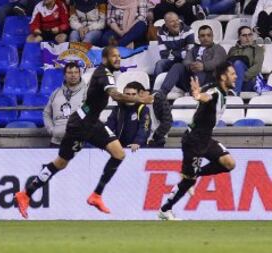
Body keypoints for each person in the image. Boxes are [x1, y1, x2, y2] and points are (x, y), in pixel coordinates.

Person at [14, 46, 154, 218]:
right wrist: (140, 98)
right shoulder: (104, 74)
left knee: (118, 153)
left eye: (119, 56)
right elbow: (116, 96)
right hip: (80, 124)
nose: (118, 59)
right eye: (114, 56)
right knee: (60, 163)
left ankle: (96, 195)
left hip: (91, 122)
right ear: (104, 59)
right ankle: (25, 194)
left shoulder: (106, 73)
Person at [158, 62, 237, 220]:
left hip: (205, 139)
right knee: (188, 182)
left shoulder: (216, 88)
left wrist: (198, 92)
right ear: (223, 76)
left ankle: (193, 174)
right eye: (232, 73)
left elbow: (203, 93)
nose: (235, 76)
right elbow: (205, 97)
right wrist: (198, 95)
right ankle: (164, 210)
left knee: (229, 163)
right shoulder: (215, 92)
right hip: (193, 141)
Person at [43, 62, 87, 146]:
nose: (73, 75)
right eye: (70, 73)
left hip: (78, 143)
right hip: (56, 142)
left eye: (76, 72)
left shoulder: (87, 92)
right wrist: (52, 130)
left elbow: (92, 111)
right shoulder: (56, 93)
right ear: (64, 75)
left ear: (80, 74)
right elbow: (46, 113)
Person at [106, 82, 151, 152]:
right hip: (120, 148)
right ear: (123, 95)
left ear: (137, 95)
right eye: (127, 94)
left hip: (138, 148)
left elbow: (145, 127)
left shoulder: (143, 109)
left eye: (133, 94)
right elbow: (109, 126)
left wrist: (137, 142)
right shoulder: (118, 109)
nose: (130, 97)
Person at [152, 12, 194, 82]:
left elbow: (190, 53)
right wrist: (181, 52)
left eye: (177, 20)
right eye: (172, 21)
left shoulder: (189, 30)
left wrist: (172, 52)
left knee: (187, 64)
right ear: (166, 24)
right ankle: (156, 89)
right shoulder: (160, 32)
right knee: (160, 63)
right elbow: (163, 54)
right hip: (171, 60)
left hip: (185, 61)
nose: (176, 23)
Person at [228, 26, 264, 95]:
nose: (247, 38)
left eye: (250, 35)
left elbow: (257, 67)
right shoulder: (233, 50)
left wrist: (239, 77)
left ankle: (235, 93)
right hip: (233, 82)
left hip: (250, 81)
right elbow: (227, 65)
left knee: (238, 63)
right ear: (239, 37)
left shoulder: (257, 49)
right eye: (244, 35)